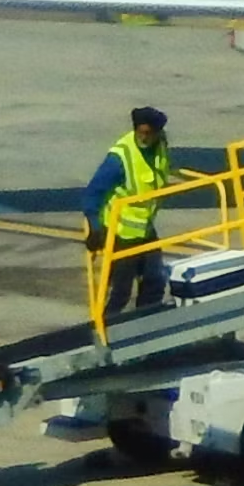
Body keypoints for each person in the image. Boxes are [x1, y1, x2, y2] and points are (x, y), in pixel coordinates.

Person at [86, 105, 175, 327]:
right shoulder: (120, 159)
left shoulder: (161, 146)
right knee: (121, 290)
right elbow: (92, 192)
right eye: (140, 133)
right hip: (120, 233)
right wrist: (95, 227)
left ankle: (144, 326)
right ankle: (106, 330)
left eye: (149, 133)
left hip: (144, 229)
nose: (144, 138)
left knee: (155, 280)